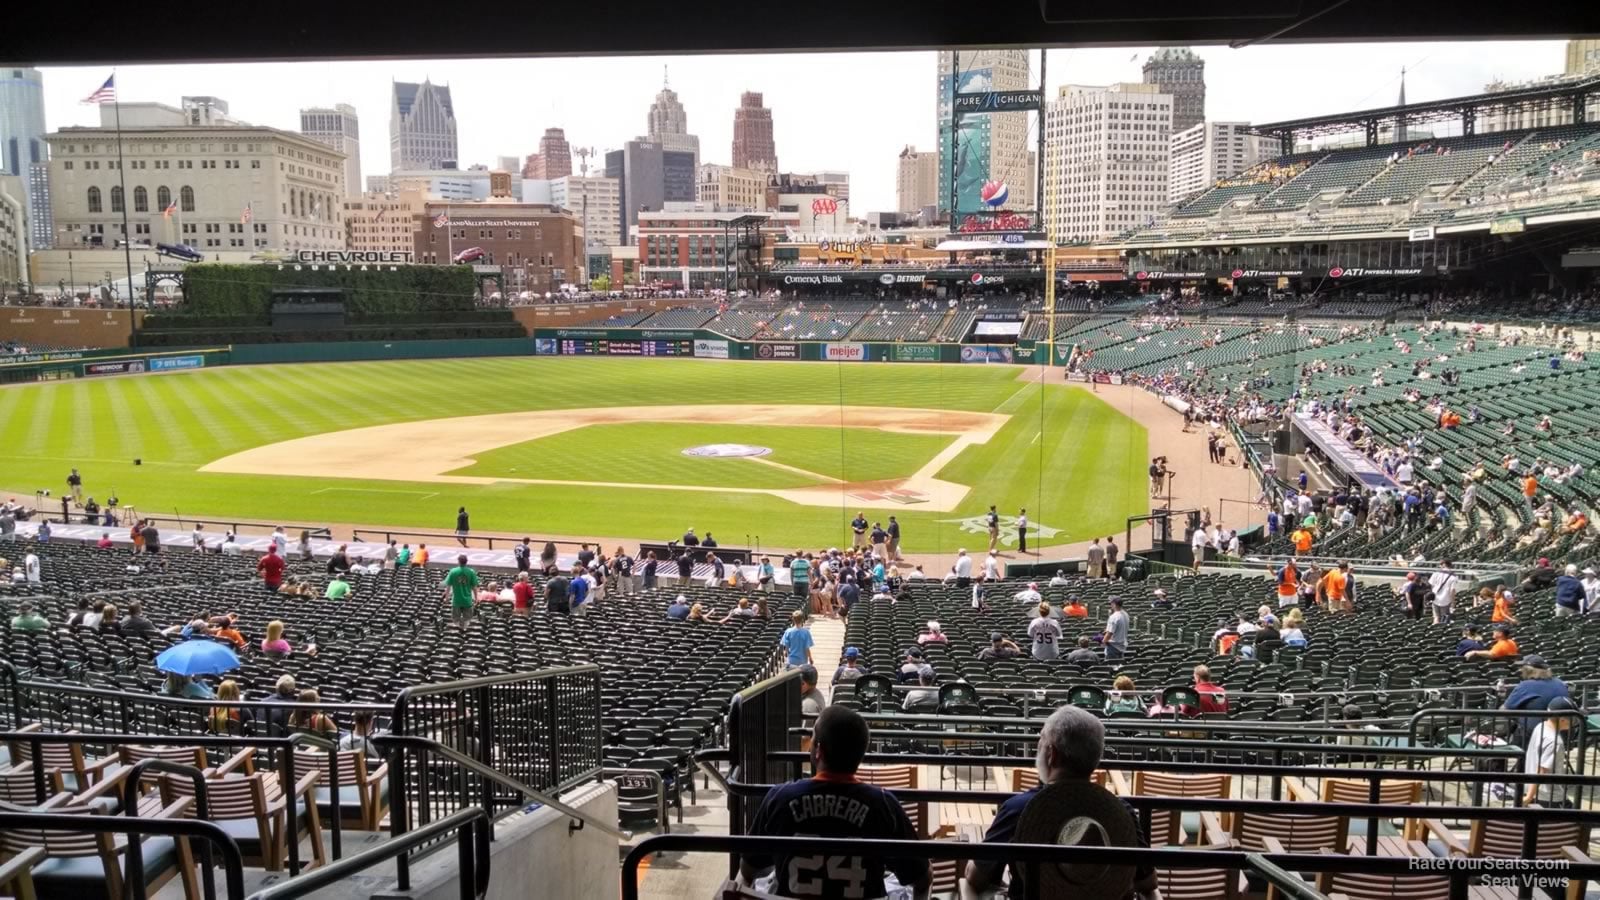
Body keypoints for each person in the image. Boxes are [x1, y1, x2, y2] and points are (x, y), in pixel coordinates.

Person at [740, 706, 930, 900]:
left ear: (819, 751)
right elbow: (922, 879)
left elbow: (747, 870)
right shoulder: (883, 805)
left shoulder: (779, 798)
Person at [966, 706, 1156, 899]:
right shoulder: (1121, 812)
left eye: (1041, 740)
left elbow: (976, 877)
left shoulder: (1018, 809)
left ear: (1052, 755)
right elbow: (1148, 883)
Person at [1523, 697, 1578, 807]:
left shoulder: (1540, 727)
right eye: (1573, 719)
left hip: (1534, 790)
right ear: (1563, 720)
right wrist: (1529, 797)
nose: (1575, 722)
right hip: (1550, 796)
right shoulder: (1556, 742)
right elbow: (1542, 771)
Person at [1504, 654, 1570, 742]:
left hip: (1532, 735)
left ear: (1528, 670)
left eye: (1522, 668)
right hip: (1561, 734)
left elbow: (1505, 709)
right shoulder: (1560, 683)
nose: (1521, 670)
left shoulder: (1526, 686)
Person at [444, 554, 479, 624]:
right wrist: (476, 598)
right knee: (467, 621)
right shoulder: (471, 572)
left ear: (458, 561)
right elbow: (474, 587)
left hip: (456, 601)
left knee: (456, 621)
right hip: (467, 601)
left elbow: (448, 586)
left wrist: (446, 597)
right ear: (466, 562)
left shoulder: (453, 571)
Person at [1429, 560, 1459, 625]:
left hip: (1435, 598)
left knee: (1436, 617)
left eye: (1441, 564)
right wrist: (1453, 602)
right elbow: (1452, 591)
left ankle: (1434, 628)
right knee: (1444, 619)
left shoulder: (1436, 573)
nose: (1440, 566)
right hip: (1446, 600)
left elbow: (1431, 585)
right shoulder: (1454, 576)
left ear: (1444, 564)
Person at [1103, 597, 1130, 661]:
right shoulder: (1126, 614)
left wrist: (1103, 641)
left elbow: (1109, 633)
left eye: (1111, 603)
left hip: (1113, 647)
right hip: (1122, 646)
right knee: (1119, 665)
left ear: (1115, 604)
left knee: (1111, 665)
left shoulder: (1114, 617)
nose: (1110, 605)